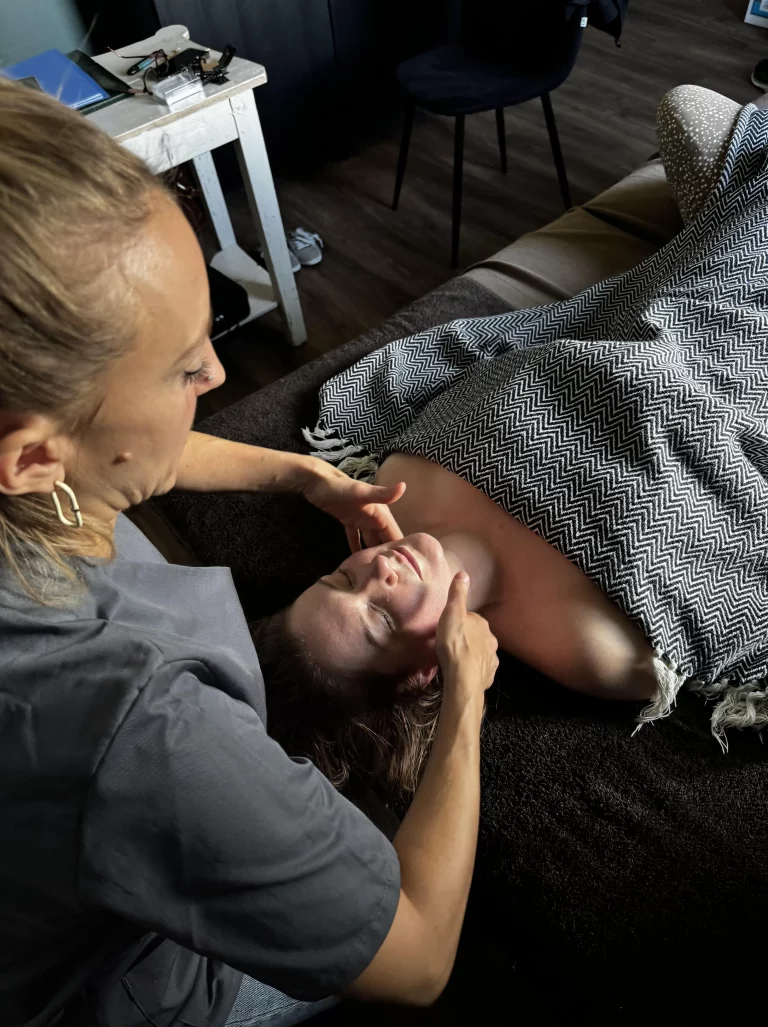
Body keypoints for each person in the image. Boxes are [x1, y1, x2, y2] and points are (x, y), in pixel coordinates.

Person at [0, 78, 499, 1027]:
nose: (220, 371)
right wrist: (468, 694)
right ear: (31, 456)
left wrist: (301, 475)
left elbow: (116, 453)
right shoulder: (145, 726)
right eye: (186, 367)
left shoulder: (36, 464)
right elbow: (418, 957)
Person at [255, 451, 658, 796]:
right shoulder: (596, 649)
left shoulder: (398, 481)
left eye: (343, 579)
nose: (378, 568)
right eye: (381, 617)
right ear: (423, 674)